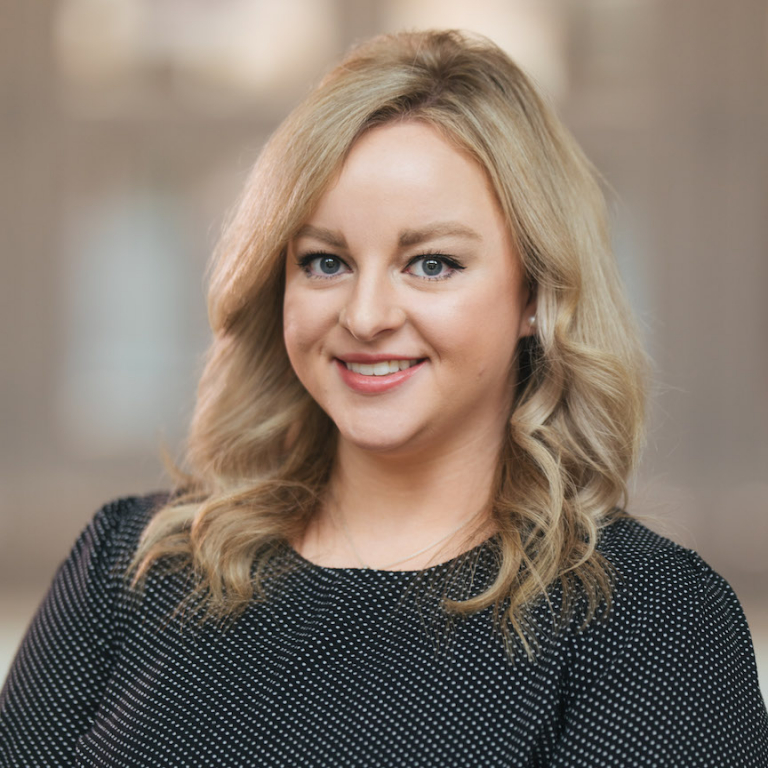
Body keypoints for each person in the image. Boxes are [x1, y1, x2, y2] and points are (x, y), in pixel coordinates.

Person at [1, 29, 766, 768]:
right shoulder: (128, 568)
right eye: (325, 262)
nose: (365, 317)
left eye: (431, 264)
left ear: (537, 294)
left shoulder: (654, 624)